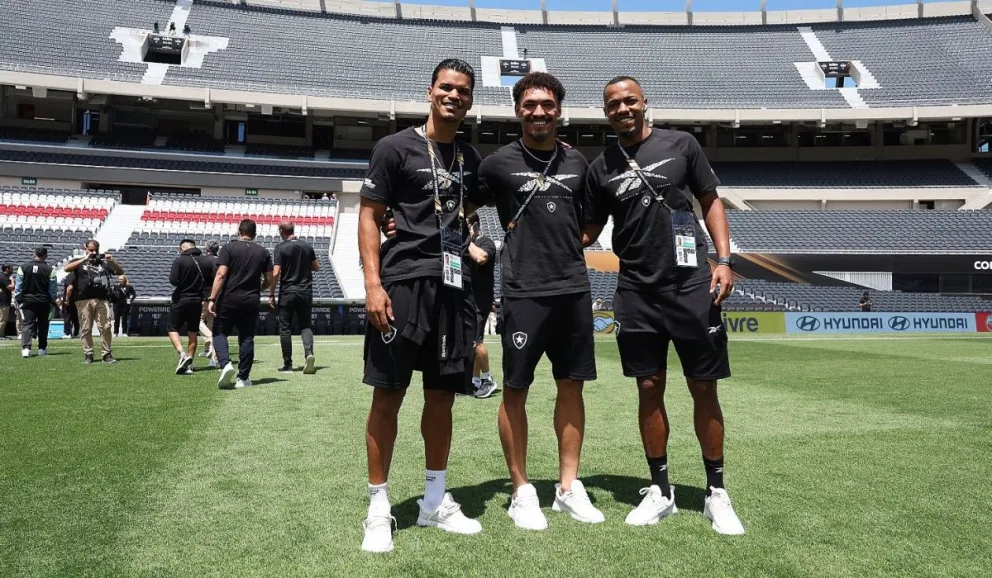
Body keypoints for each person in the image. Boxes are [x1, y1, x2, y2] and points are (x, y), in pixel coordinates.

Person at [582, 76, 744, 535]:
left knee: (703, 387)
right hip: (635, 289)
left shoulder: (682, 144)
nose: (622, 109)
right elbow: (589, 231)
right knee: (648, 388)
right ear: (607, 113)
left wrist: (724, 258)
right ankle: (661, 490)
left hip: (691, 283)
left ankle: (716, 492)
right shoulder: (600, 168)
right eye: (613, 104)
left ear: (644, 103)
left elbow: (710, 200)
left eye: (629, 100)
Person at [358, 58, 483, 553]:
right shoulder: (394, 147)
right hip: (403, 284)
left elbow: (465, 204)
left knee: (442, 397)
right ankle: (378, 506)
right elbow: (370, 218)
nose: (454, 96)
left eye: (463, 91)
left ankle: (434, 500)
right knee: (388, 395)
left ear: (471, 100)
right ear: (430, 91)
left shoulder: (471, 157)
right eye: (447, 88)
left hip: (453, 291)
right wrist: (373, 283)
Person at [470, 71, 601, 530]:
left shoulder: (578, 162)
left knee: (571, 387)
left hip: (573, 290)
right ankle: (521, 489)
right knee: (515, 390)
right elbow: (460, 207)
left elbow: (590, 225)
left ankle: (568, 487)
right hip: (523, 292)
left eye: (547, 104)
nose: (539, 111)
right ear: (517, 110)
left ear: (559, 109)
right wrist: (472, 240)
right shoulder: (497, 163)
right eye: (530, 104)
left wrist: (564, 244)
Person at [207, 219, 274, 389]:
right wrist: (261, 287)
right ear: (254, 234)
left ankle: (225, 364)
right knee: (247, 337)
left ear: (239, 231)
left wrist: (212, 298)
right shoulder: (263, 252)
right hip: (251, 300)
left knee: (220, 333)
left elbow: (221, 274)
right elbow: (269, 279)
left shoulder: (229, 248)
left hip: (228, 298)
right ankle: (243, 378)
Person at [63, 240, 122, 364]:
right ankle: (88, 354)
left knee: (106, 326)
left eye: (96, 250)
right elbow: (66, 268)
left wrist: (112, 260)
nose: (94, 253)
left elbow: (120, 272)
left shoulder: (103, 263)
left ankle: (106, 353)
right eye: (91, 250)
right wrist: (84, 259)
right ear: (85, 248)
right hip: (84, 300)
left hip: (102, 299)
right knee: (86, 328)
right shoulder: (78, 262)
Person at [273, 221, 318, 374]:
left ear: (281, 231)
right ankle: (309, 354)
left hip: (287, 292)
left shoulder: (280, 248)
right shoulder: (307, 246)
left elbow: (276, 272)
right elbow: (316, 267)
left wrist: (271, 293)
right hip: (305, 291)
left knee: (285, 328)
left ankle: (288, 365)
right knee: (305, 325)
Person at [466, 213, 497, 398]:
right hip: (468, 299)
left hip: (480, 300)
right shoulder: (467, 245)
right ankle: (475, 381)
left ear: (474, 225)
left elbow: (481, 258)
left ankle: (488, 379)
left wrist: (463, 238)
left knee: (476, 342)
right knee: (471, 343)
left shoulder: (487, 242)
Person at [168, 240, 209, 375]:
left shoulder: (179, 260)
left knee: (172, 328)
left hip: (181, 299)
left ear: (183, 248)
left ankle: (182, 354)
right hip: (197, 300)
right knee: (193, 331)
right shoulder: (204, 261)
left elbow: (173, 281)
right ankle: (190, 363)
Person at [14, 248, 57, 358]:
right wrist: (53, 300)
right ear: (46, 256)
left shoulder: (22, 267)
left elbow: (18, 287)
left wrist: (18, 298)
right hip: (43, 301)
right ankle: (42, 349)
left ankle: (26, 349)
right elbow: (52, 289)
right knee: (43, 324)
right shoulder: (50, 269)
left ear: (34, 254)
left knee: (27, 323)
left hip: (27, 300)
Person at [198, 240, 220, 367]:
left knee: (198, 320)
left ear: (207, 249)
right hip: (217, 295)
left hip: (204, 295)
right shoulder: (220, 261)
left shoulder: (202, 261)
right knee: (212, 322)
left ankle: (209, 339)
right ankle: (211, 352)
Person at [62, 272, 79, 338]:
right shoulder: (79, 275)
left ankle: (67, 333)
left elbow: (70, 287)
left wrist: (67, 299)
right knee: (76, 318)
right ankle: (76, 333)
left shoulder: (70, 275)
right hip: (77, 299)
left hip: (70, 300)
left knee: (67, 317)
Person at [0, 264, 12, 338]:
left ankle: (2, 334)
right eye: (10, 268)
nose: (12, 270)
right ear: (7, 269)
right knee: (2, 319)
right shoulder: (4, 277)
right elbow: (12, 287)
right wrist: (12, 280)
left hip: (3, 301)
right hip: (3, 302)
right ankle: (0, 335)